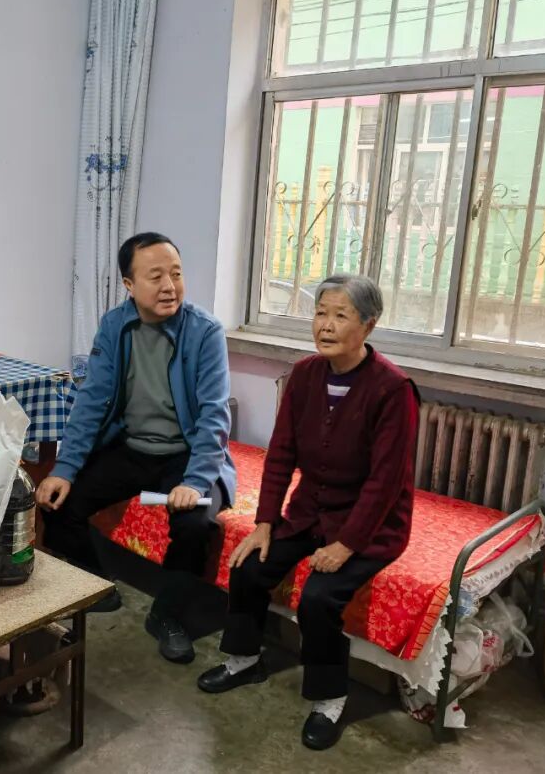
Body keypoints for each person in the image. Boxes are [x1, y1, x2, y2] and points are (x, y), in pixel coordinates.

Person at [197, 274, 419, 751]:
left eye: (340, 315)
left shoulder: (392, 390)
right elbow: (281, 454)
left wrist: (346, 545)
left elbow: (385, 483)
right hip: (309, 512)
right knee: (248, 565)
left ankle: (329, 699)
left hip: (370, 526)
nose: (326, 325)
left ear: (368, 326)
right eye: (320, 313)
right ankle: (244, 659)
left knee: (319, 597)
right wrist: (264, 523)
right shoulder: (304, 375)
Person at [37, 232, 236, 664]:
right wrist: (64, 469)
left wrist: (196, 481)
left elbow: (214, 416)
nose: (169, 286)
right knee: (58, 502)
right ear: (129, 285)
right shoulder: (115, 326)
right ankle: (97, 587)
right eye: (155, 276)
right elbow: (91, 401)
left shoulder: (205, 332)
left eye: (176, 274)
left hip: (187, 454)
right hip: (130, 448)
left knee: (194, 525)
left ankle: (167, 615)